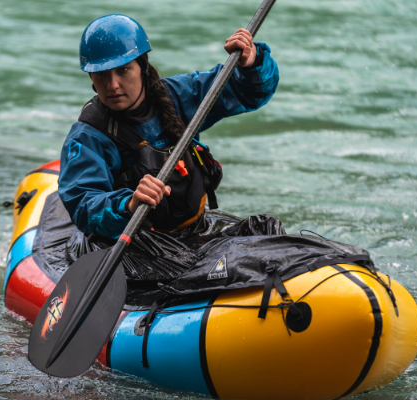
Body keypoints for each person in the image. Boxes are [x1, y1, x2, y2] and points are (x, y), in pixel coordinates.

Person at [58, 14, 279, 239]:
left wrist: (250, 64)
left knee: (267, 229)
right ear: (91, 78)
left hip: (196, 230)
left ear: (142, 67)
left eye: (123, 70)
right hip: (135, 245)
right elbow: (83, 205)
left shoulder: (178, 96)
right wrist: (129, 204)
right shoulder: (88, 137)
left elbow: (250, 93)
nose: (113, 85)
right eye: (102, 74)